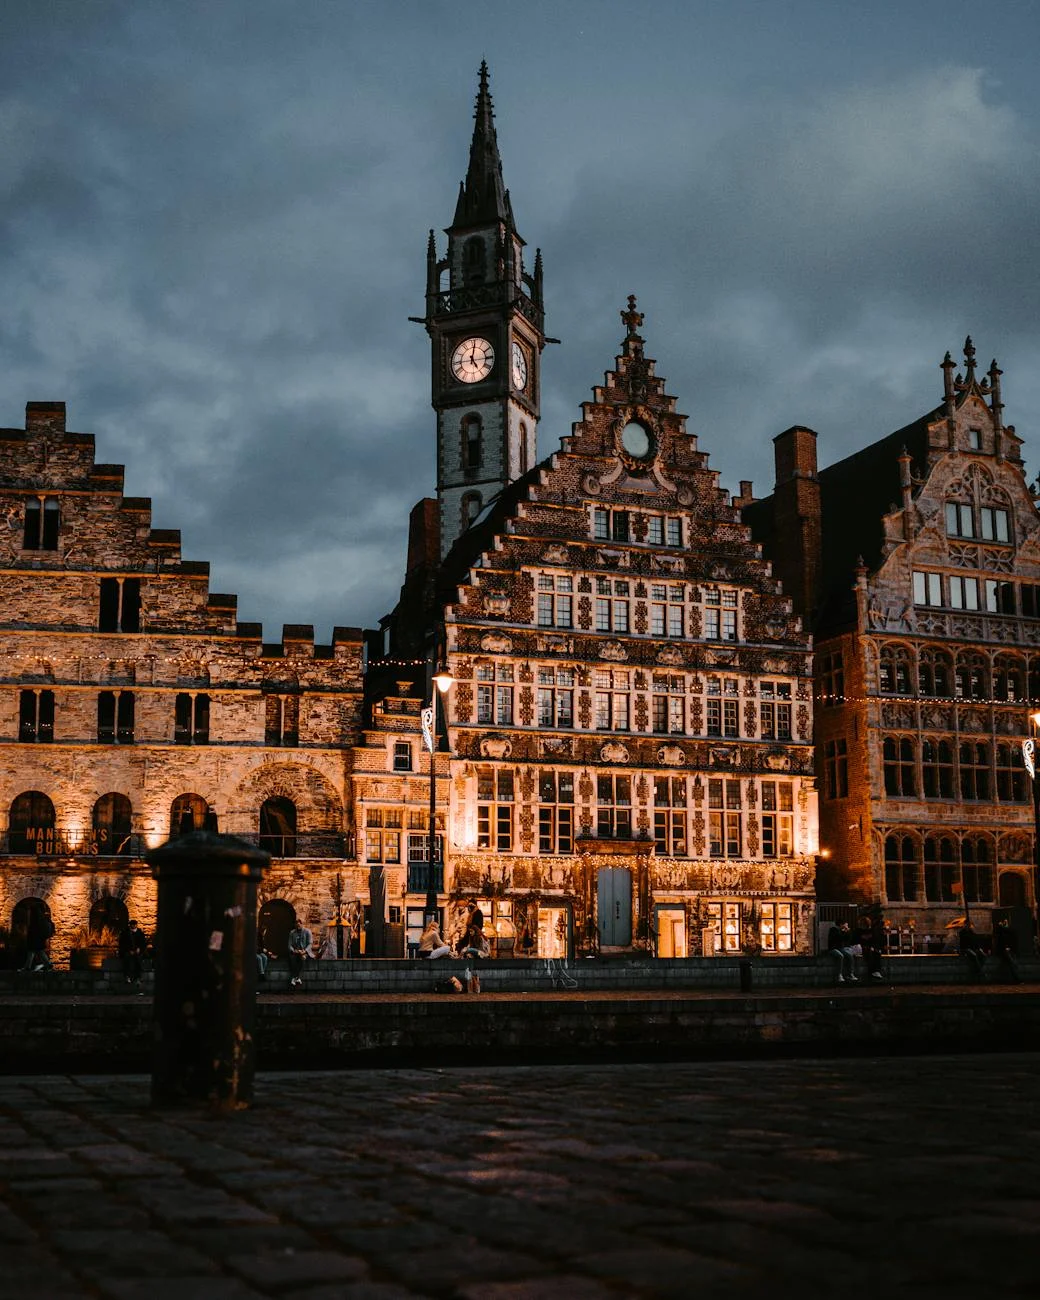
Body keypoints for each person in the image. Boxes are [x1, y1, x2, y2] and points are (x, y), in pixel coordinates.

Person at [118, 919, 147, 985]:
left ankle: (138, 978)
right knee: (126, 960)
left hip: (138, 951)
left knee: (138, 960)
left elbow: (143, 943)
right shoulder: (125, 933)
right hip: (128, 951)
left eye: (134, 924)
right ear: (130, 925)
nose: (133, 926)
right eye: (132, 925)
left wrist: (139, 948)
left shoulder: (140, 933)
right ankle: (127, 977)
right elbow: (122, 943)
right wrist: (128, 950)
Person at [287, 918, 313, 988]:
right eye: (297, 925)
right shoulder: (292, 932)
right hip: (295, 951)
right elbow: (289, 945)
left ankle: (294, 977)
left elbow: (310, 944)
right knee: (292, 958)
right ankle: (297, 978)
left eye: (299, 925)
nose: (298, 926)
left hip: (304, 951)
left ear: (302, 924)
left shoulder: (307, 931)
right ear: (295, 925)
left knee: (302, 958)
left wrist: (304, 951)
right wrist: (294, 950)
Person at [859, 912, 884, 982]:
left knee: (877, 953)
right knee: (870, 953)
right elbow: (859, 940)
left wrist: (873, 946)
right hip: (863, 947)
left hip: (870, 947)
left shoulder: (872, 930)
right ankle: (873, 971)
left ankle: (876, 971)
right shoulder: (859, 931)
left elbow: (874, 939)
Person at [993, 918, 1020, 983]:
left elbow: (1009, 932)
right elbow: (997, 932)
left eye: (1006, 922)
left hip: (1010, 950)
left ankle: (1016, 979)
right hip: (1004, 950)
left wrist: (1000, 926)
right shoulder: (1002, 931)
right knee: (1012, 962)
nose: (1005, 923)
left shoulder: (1010, 930)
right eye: (1004, 922)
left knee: (1012, 963)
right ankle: (1017, 979)